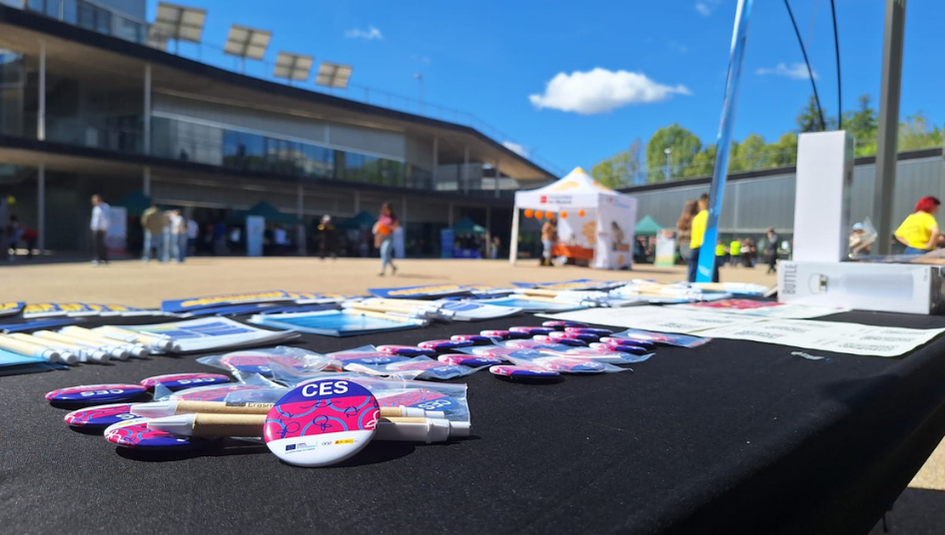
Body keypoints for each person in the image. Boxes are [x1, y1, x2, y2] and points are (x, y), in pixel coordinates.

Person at [687, 193, 718, 283]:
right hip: (705, 247)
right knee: (712, 272)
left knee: (692, 273)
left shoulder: (696, 217)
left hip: (694, 246)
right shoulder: (710, 217)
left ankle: (691, 290)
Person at [373, 203, 399, 276]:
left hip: (389, 237)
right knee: (384, 254)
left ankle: (382, 269)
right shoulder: (382, 217)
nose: (386, 211)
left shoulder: (394, 218)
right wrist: (377, 240)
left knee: (384, 252)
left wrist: (387, 226)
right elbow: (378, 229)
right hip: (382, 237)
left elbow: (395, 228)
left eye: (387, 210)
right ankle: (393, 267)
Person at [89, 194, 109, 266]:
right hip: (95, 228)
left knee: (101, 244)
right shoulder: (95, 208)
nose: (93, 202)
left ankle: (101, 258)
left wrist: (104, 228)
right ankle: (99, 258)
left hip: (101, 229)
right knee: (96, 244)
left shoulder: (104, 207)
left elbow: (105, 219)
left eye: (95, 200)